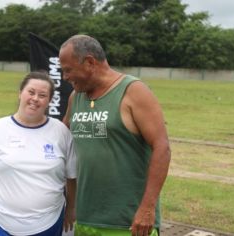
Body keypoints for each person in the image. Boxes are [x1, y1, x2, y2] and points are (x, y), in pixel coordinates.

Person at [59, 35, 171, 236]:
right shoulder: (76, 97)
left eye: (68, 70)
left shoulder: (133, 91)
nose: (65, 77)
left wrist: (147, 208)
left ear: (90, 62)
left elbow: (162, 147)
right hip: (85, 219)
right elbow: (59, 138)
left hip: (127, 223)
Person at [0, 71, 77, 236]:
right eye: (31, 92)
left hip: (50, 224)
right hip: (2, 225)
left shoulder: (61, 132)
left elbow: (71, 177)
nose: (35, 98)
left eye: (42, 95)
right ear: (20, 93)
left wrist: (71, 209)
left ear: (49, 101)